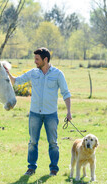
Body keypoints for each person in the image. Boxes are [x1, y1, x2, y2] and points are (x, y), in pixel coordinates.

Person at [5, 47, 72, 176]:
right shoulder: (33, 73)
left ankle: (53, 169)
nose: (35, 62)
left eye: (37, 59)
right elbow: (16, 81)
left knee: (53, 142)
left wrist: (69, 112)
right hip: (35, 113)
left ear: (45, 59)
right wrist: (8, 73)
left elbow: (66, 93)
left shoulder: (58, 74)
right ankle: (31, 168)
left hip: (51, 114)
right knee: (32, 142)